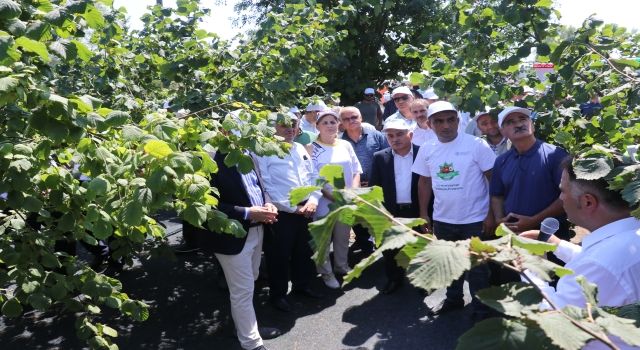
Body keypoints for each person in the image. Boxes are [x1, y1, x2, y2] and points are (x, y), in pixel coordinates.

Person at [520, 158, 640, 349]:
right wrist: (557, 245)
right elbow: (607, 272)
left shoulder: (599, 264)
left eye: (562, 191)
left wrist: (528, 265)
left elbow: (553, 317)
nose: (560, 198)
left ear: (587, 201)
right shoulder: (630, 236)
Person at [183, 152, 280, 350]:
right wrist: (248, 212)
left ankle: (246, 328)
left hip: (257, 230)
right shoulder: (209, 161)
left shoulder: (249, 155)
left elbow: (258, 186)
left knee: (250, 282)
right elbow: (205, 205)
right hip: (230, 237)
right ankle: (251, 342)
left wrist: (267, 202)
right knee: (242, 291)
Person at [412, 101, 496, 315]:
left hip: (475, 219)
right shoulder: (426, 149)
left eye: (450, 119)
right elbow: (424, 182)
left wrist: (491, 214)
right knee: (449, 264)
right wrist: (423, 213)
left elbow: (493, 181)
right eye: (439, 121)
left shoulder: (477, 144)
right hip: (444, 219)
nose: (446, 125)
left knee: (477, 269)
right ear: (430, 124)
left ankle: (481, 308)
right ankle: (454, 299)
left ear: (458, 121)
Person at [256, 113, 323, 313]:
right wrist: (294, 209)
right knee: (279, 256)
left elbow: (313, 176)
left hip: (307, 208)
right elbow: (267, 186)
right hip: (282, 213)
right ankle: (278, 295)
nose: (290, 129)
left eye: (293, 124)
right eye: (284, 125)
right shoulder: (264, 152)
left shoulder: (300, 147)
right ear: (273, 127)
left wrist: (313, 200)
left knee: (304, 251)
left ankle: (302, 286)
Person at [311, 110, 363, 289]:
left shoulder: (345, 145)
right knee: (323, 240)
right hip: (324, 202)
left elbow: (356, 169)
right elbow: (313, 177)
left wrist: (353, 192)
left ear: (338, 124)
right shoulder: (312, 148)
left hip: (346, 200)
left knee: (342, 236)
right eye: (324, 122)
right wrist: (332, 196)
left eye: (333, 121)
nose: (329, 125)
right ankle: (326, 273)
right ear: (317, 126)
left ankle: (341, 266)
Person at [370, 118, 421, 294]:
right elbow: (374, 187)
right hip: (391, 212)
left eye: (399, 134)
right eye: (390, 136)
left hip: (417, 210)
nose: (395, 139)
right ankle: (394, 278)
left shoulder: (422, 154)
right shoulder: (379, 157)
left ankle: (421, 281)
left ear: (410, 135)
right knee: (391, 248)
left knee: (419, 247)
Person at [340, 106, 388, 255]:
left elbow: (387, 156)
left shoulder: (376, 135)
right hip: (352, 186)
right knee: (358, 219)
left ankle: (382, 245)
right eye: (346, 119)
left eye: (354, 117)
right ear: (341, 123)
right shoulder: (339, 141)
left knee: (378, 218)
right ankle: (364, 243)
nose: (351, 121)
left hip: (376, 186)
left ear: (361, 118)